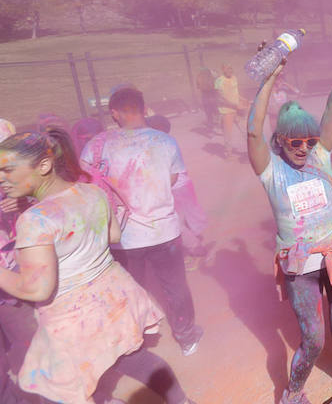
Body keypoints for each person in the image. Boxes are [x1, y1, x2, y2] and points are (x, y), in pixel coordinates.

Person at [0, 129, 195, 404]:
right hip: (114, 299)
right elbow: (113, 236)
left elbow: (36, 290)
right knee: (132, 359)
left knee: (59, 392)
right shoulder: (91, 192)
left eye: (7, 170)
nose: (1, 179)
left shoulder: (35, 220)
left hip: (72, 320)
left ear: (43, 165)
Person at [247, 29, 332, 404]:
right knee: (314, 337)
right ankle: (293, 394)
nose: (304, 148)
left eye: (309, 140)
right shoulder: (270, 171)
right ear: (281, 141)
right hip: (300, 263)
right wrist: (270, 78)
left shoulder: (319, 157)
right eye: (295, 141)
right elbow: (253, 130)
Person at [80, 87, 203, 357]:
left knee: (130, 289)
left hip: (122, 236)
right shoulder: (164, 141)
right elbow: (173, 179)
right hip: (165, 232)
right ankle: (186, 337)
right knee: (175, 286)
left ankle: (137, 339)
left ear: (114, 112)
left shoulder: (97, 145)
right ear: (143, 108)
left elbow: (86, 188)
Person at [0, 119, 38, 404]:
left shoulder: (13, 178)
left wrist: (25, 200)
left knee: (31, 347)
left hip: (14, 280)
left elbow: (48, 199)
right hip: (8, 283)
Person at [146, 115, 210, 272]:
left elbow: (163, 173)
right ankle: (193, 246)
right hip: (182, 185)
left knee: (174, 221)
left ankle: (197, 250)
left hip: (174, 187)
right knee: (186, 218)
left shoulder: (159, 145)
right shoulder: (167, 142)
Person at [215, 64, 247, 160]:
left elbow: (235, 93)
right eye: (227, 68)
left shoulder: (234, 78)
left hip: (237, 109)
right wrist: (234, 105)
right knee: (228, 134)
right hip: (226, 111)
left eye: (231, 68)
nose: (230, 70)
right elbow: (220, 98)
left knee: (245, 130)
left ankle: (253, 150)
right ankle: (228, 154)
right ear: (223, 69)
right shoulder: (219, 81)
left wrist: (243, 99)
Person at [195, 67, 218, 131]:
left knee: (209, 113)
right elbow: (217, 87)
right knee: (215, 112)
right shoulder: (213, 77)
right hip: (212, 96)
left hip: (205, 97)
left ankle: (211, 126)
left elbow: (198, 88)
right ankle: (215, 126)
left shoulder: (199, 77)